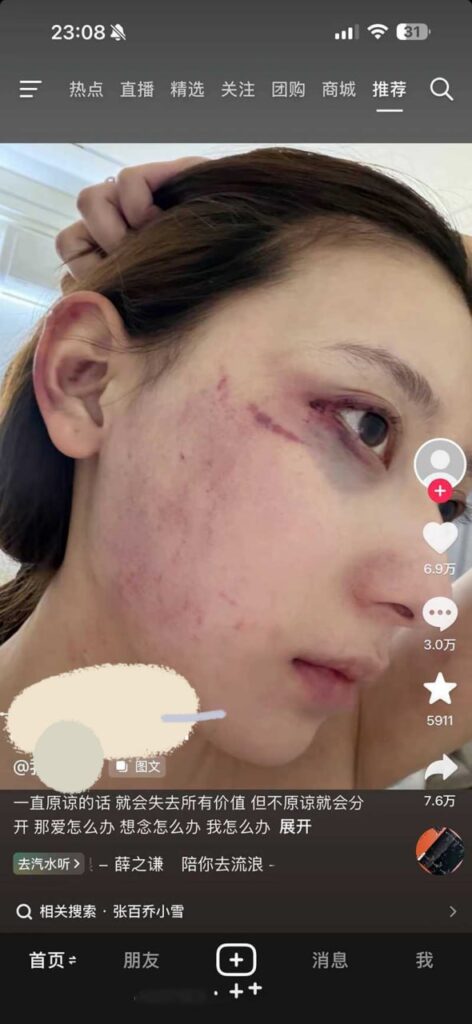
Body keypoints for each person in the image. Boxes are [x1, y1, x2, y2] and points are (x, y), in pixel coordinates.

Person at [1, 146, 472, 790]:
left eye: (448, 505)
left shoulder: (345, 737)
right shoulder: (340, 747)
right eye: (367, 425)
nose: (426, 595)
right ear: (86, 380)